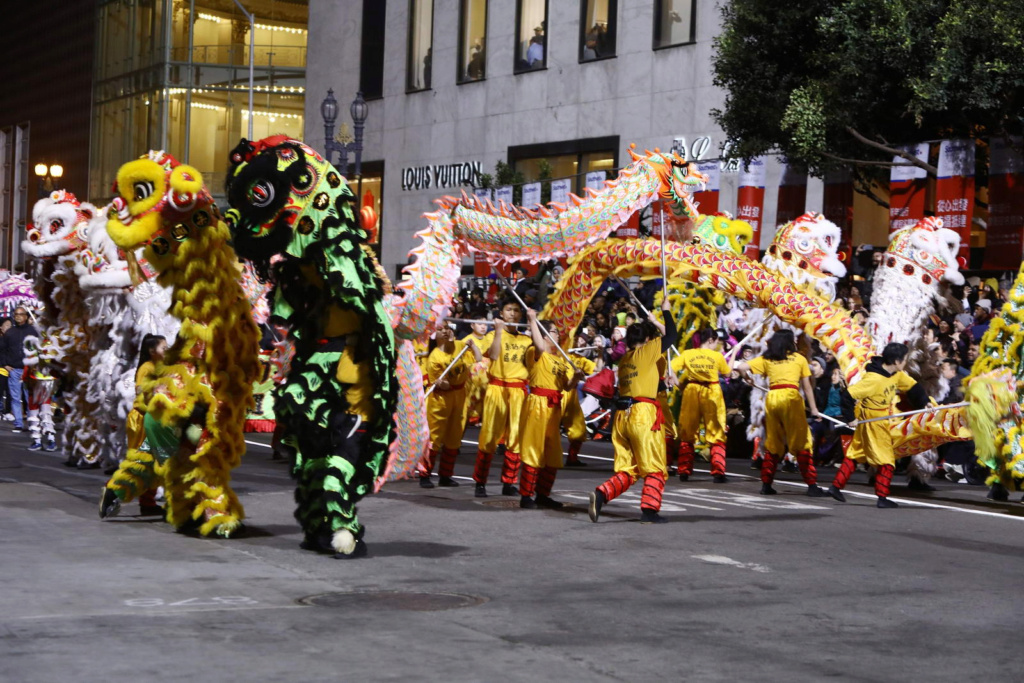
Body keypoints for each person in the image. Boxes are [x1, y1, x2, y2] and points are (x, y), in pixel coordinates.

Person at [589, 296, 677, 524]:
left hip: (622, 417)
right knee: (655, 466)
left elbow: (647, 383)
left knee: (631, 468)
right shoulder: (647, 352)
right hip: (643, 415)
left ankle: (602, 493)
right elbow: (672, 337)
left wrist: (661, 381)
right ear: (647, 340)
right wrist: (665, 312)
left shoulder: (626, 358)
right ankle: (649, 511)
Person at [828, 343, 932, 508]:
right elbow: (848, 395)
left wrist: (924, 402)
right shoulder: (873, 379)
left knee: (856, 453)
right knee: (887, 460)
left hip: (880, 418)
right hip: (873, 422)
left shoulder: (897, 375)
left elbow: (912, 386)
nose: (905, 363)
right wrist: (850, 418)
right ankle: (882, 496)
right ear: (897, 361)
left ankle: (835, 487)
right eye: (904, 360)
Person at [735, 330, 828, 497]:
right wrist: (814, 409)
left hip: (773, 398)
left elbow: (741, 366)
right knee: (801, 440)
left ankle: (766, 484)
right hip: (791, 399)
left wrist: (748, 379)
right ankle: (812, 485)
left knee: (773, 442)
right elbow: (807, 387)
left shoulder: (769, 358)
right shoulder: (799, 358)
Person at [100, 334, 169, 518]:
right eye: (164, 347)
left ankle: (148, 503)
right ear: (152, 351)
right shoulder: (147, 369)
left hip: (154, 420)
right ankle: (112, 490)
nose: (167, 350)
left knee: (155, 464)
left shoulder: (159, 367)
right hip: (144, 421)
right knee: (142, 462)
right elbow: (144, 394)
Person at [518, 311, 581, 509]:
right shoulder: (535, 353)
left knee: (553, 452)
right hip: (537, 404)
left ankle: (543, 494)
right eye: (554, 331)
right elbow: (537, 344)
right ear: (544, 334)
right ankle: (526, 496)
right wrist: (533, 321)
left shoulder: (560, 360)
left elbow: (566, 386)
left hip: (554, 408)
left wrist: (576, 378)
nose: (557, 334)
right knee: (534, 449)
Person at [473, 300, 533, 497]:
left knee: (515, 438)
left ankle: (509, 482)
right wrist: (498, 332)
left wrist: (534, 324)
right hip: (497, 387)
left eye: (517, 310)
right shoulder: (492, 335)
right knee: (489, 436)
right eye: (509, 309)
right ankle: (480, 483)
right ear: (501, 313)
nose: (513, 314)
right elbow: (495, 356)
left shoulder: (526, 340)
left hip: (518, 392)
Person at [420, 323, 481, 488]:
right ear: (435, 336)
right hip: (440, 399)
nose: (445, 331)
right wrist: (442, 383)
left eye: (447, 328)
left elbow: (479, 358)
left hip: (460, 396)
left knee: (454, 436)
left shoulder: (460, 345)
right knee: (435, 437)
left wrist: (473, 346)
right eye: (440, 330)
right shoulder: (434, 358)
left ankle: (446, 475)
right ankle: (425, 474)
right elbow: (443, 385)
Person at [676, 328, 731, 483]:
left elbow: (671, 369)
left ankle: (684, 471)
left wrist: (679, 385)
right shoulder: (717, 356)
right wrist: (733, 354)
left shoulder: (688, 354)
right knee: (716, 431)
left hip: (691, 390)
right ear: (711, 340)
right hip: (711, 391)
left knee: (688, 431)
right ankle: (718, 472)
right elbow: (727, 374)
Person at [562, 332, 601, 466]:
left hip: (571, 395)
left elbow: (598, 369)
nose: (578, 342)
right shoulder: (559, 355)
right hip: (557, 392)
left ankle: (572, 458)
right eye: (576, 339)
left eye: (580, 340)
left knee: (578, 427)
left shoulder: (580, 359)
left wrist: (600, 354)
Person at [0, 307, 38, 433]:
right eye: (16, 314)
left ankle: (33, 423)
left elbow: (39, 348)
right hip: (14, 369)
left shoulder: (33, 331)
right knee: (15, 397)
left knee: (29, 398)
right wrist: (5, 364)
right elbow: (3, 349)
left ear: (26, 316)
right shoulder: (10, 332)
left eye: (21, 314)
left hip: (29, 369)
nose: (18, 317)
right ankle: (18, 423)